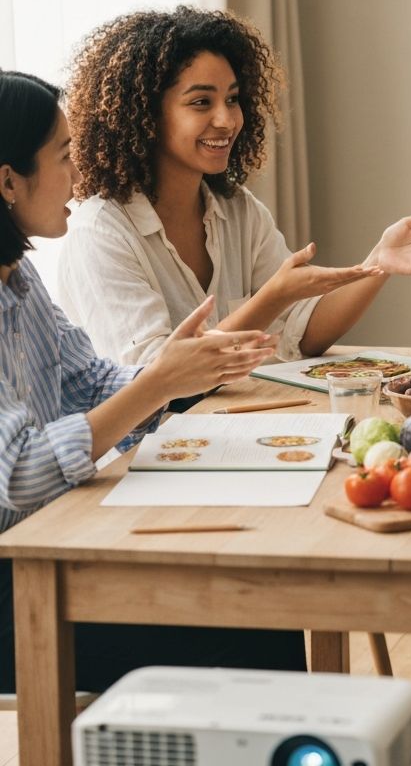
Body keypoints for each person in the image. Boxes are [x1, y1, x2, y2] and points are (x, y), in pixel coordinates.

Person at [0, 69, 307, 690]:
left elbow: (91, 383)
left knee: (258, 596)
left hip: (56, 545)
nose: (78, 177)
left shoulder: (20, 280)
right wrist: (157, 384)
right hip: (16, 585)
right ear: (8, 181)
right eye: (63, 157)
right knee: (245, 615)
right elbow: (19, 474)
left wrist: (172, 370)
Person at [58, 6, 411, 367]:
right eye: (200, 103)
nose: (227, 120)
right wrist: (272, 298)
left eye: (232, 99)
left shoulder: (237, 209)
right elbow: (153, 378)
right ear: (144, 115)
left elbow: (300, 333)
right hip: (153, 443)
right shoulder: (101, 232)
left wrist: (378, 264)